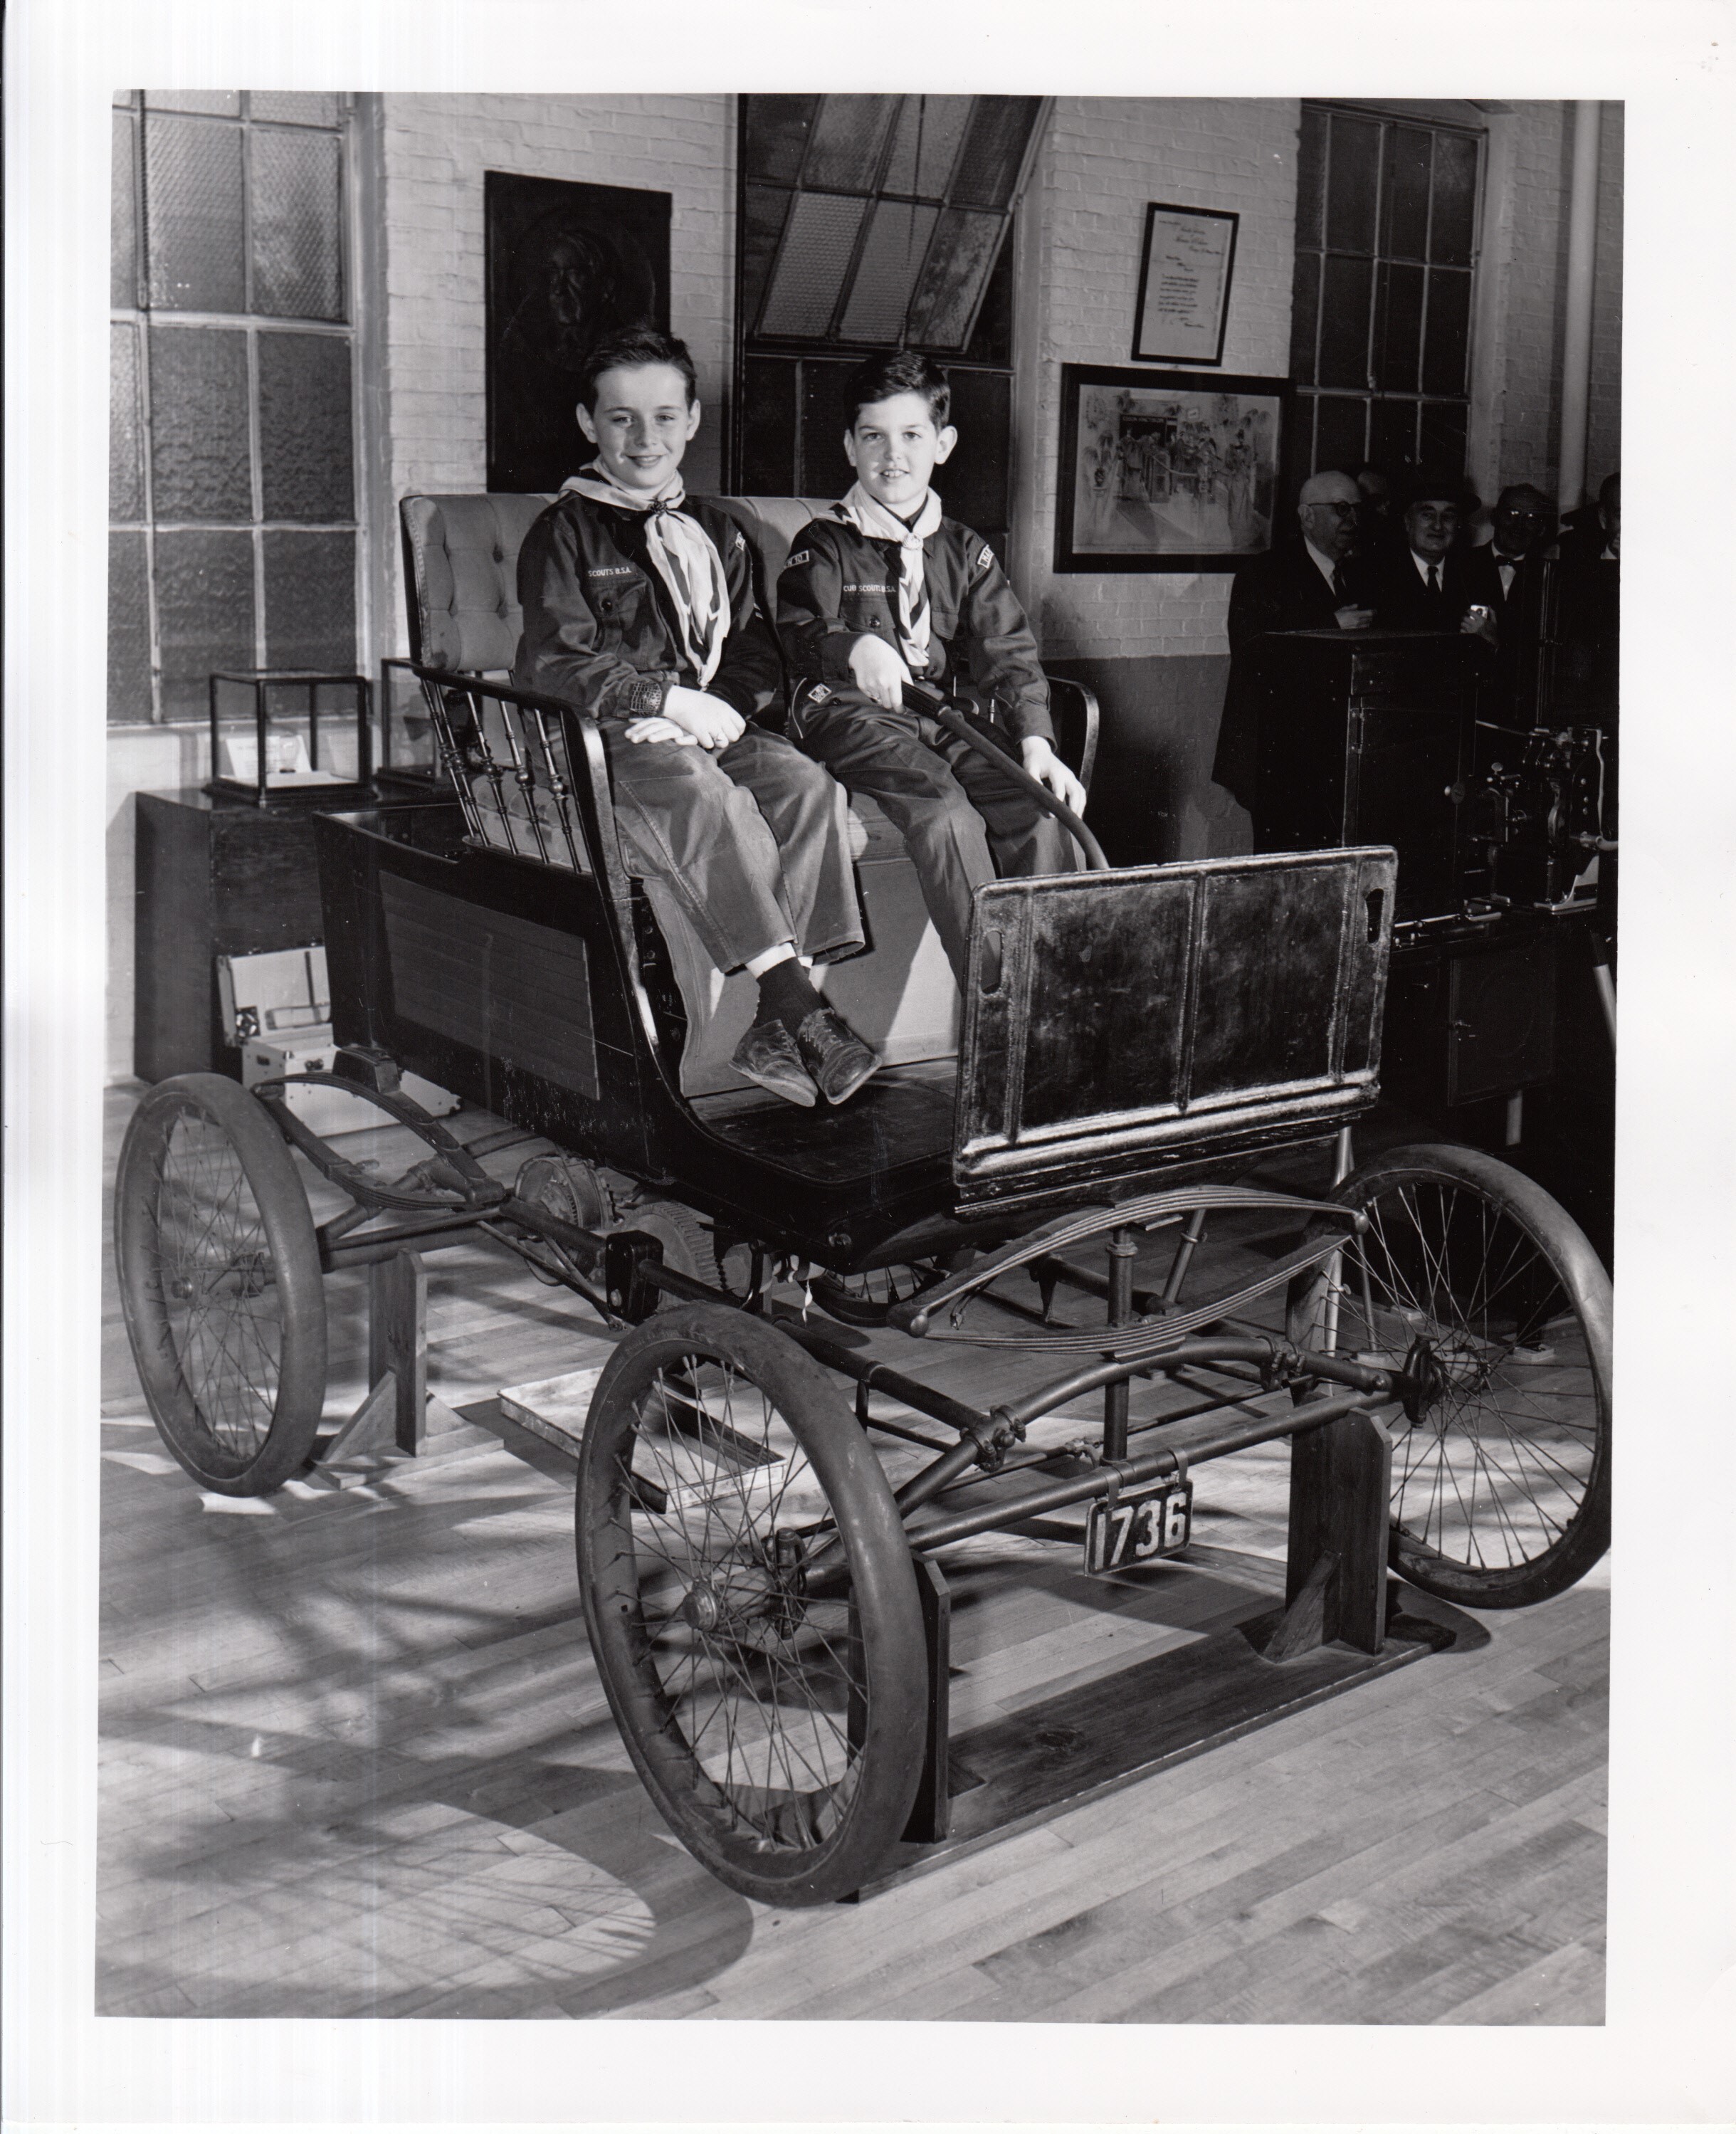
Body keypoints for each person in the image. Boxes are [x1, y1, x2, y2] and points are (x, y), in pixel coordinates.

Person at [512, 326, 876, 1109]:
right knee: (698, 792)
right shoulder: (562, 533)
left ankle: (777, 1024)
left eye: (665, 417)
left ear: (693, 420)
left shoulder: (721, 530)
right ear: (588, 425)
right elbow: (560, 664)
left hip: (702, 724)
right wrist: (663, 701)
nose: (646, 439)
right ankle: (794, 1006)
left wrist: (718, 709)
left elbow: (755, 650)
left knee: (806, 785)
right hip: (602, 736)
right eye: (621, 419)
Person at [776, 350, 1085, 988]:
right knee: (945, 812)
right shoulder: (823, 541)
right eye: (874, 437)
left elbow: (1008, 648)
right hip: (847, 715)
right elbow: (801, 629)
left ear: (941, 444)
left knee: (1039, 810)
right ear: (849, 446)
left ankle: (1054, 993)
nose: (893, 455)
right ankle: (994, 997)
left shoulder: (964, 549)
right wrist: (851, 649)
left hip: (937, 716)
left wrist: (1034, 739)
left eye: (912, 435)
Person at [1210, 467, 1376, 813]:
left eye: (1358, 509)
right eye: (1341, 509)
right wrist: (1329, 624)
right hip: (1279, 751)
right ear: (1307, 517)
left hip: (1336, 752)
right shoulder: (1264, 572)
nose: (1353, 519)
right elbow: (1250, 652)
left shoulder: (1361, 574)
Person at [1364, 469, 1496, 638]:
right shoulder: (1375, 575)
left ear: (1458, 525)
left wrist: (1491, 640)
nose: (1438, 526)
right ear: (1407, 521)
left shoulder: (1474, 577)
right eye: (1428, 515)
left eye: (1448, 517)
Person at [1463, 483, 1557, 614]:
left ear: (1541, 529)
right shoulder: (1462, 563)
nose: (1519, 526)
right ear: (1494, 517)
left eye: (1531, 518)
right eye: (1511, 514)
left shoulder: (1548, 577)